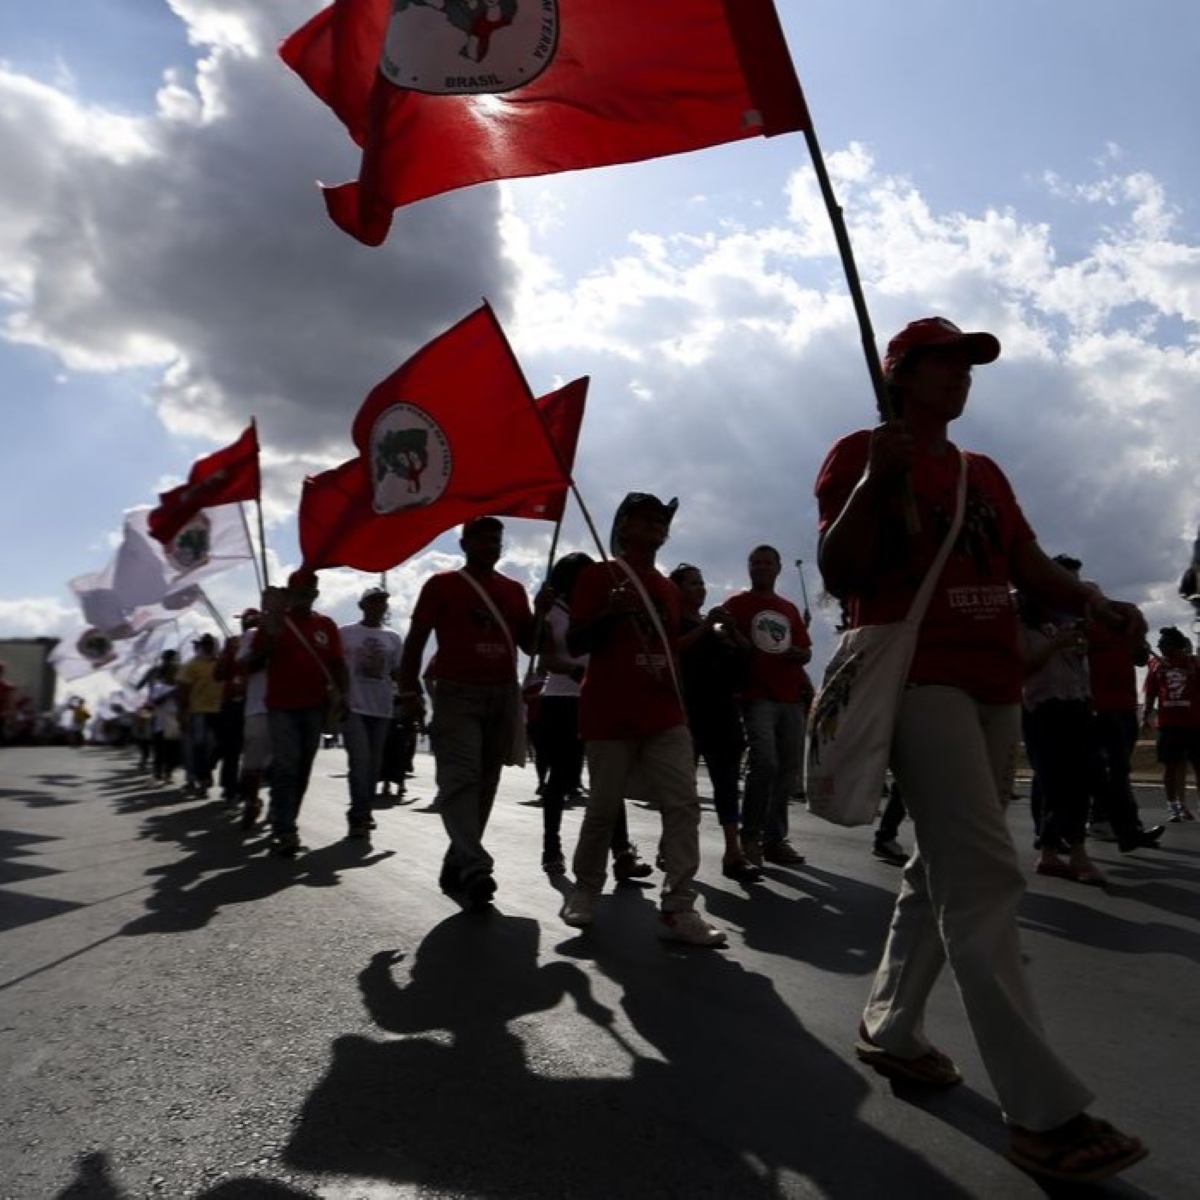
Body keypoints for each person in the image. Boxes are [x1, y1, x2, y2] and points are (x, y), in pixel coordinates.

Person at [815, 316, 1147, 1183]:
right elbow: (842, 569)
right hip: (918, 677)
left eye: (970, 365)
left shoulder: (980, 471)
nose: (963, 377)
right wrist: (873, 485)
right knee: (987, 872)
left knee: (940, 869)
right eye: (946, 363)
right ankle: (1044, 1112)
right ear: (900, 374)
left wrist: (1093, 602)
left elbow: (1026, 563)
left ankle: (889, 1029)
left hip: (996, 683)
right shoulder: (859, 451)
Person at [559, 493, 727, 947]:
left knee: (684, 805)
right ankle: (586, 890)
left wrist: (706, 631)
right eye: (647, 517)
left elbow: (671, 649)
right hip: (609, 710)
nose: (656, 525)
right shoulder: (599, 576)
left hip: (664, 711)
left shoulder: (669, 591)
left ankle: (678, 906)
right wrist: (610, 613)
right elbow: (575, 643)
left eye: (662, 519)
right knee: (603, 808)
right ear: (624, 525)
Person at [398, 517, 539, 908]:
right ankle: (477, 866)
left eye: (498, 539)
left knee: (486, 784)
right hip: (458, 694)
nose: (493, 544)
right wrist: (408, 690)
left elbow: (531, 644)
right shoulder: (441, 585)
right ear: (465, 544)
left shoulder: (514, 591)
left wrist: (540, 612)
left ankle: (457, 859)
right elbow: (416, 642)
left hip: (502, 694)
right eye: (484, 538)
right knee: (462, 778)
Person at [537, 552, 653, 880]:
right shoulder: (553, 612)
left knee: (610, 777)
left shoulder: (599, 608)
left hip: (601, 697)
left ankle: (622, 853)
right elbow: (545, 658)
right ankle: (551, 847)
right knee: (560, 777)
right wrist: (574, 670)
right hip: (562, 698)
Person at [669, 562, 759, 881]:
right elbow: (673, 650)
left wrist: (731, 629)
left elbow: (747, 654)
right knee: (682, 790)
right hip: (686, 715)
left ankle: (733, 853)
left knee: (726, 786)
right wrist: (708, 626)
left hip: (722, 715)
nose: (700, 588)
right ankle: (673, 848)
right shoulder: (674, 622)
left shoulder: (720, 630)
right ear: (677, 589)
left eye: (701, 582)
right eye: (692, 583)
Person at [723, 545, 812, 867]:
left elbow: (805, 651)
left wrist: (800, 656)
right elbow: (724, 640)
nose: (761, 567)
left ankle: (775, 840)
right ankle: (750, 836)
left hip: (790, 698)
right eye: (755, 562)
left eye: (767, 562)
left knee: (787, 772)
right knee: (765, 764)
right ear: (749, 568)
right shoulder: (736, 604)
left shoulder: (788, 609)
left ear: (778, 568)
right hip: (755, 696)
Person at [1016, 584, 1108, 885]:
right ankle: (1062, 852)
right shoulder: (1021, 626)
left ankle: (1059, 851)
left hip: (1076, 705)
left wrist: (1076, 649)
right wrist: (1054, 646)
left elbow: (1079, 671)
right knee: (1054, 782)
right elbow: (1023, 667)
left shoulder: (1062, 626)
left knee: (1083, 779)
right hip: (1042, 709)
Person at [251, 569, 347, 856]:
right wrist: (271, 625)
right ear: (289, 593)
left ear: (316, 594)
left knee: (302, 768)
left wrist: (345, 696)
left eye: (310, 591)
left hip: (314, 706)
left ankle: (284, 815)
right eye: (300, 590)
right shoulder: (274, 621)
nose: (306, 595)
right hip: (281, 706)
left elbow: (337, 664)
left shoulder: (326, 625)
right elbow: (255, 661)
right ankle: (285, 828)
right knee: (287, 764)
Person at [339, 586, 404, 838]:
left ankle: (364, 810)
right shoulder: (346, 633)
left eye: (383, 602)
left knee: (374, 765)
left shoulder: (393, 638)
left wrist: (409, 698)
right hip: (353, 705)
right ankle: (358, 814)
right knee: (360, 761)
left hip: (382, 708)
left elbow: (398, 673)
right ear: (362, 605)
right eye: (374, 601)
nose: (379, 606)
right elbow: (334, 665)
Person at [1142, 626, 1200, 821]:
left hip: (1194, 723)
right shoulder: (1155, 665)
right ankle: (1173, 805)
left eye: (1164, 644)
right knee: (1171, 766)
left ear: (1175, 646)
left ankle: (1192, 805)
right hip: (1168, 724)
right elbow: (1150, 694)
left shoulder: (1193, 663)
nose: (1160, 647)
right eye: (1159, 645)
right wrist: (1146, 716)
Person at [175, 633, 223, 798]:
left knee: (216, 747)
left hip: (220, 711)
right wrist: (182, 713)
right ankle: (202, 780)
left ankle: (205, 772)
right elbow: (182, 690)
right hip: (199, 711)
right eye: (205, 643)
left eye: (211, 643)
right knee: (200, 745)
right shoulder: (192, 665)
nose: (208, 646)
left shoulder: (221, 663)